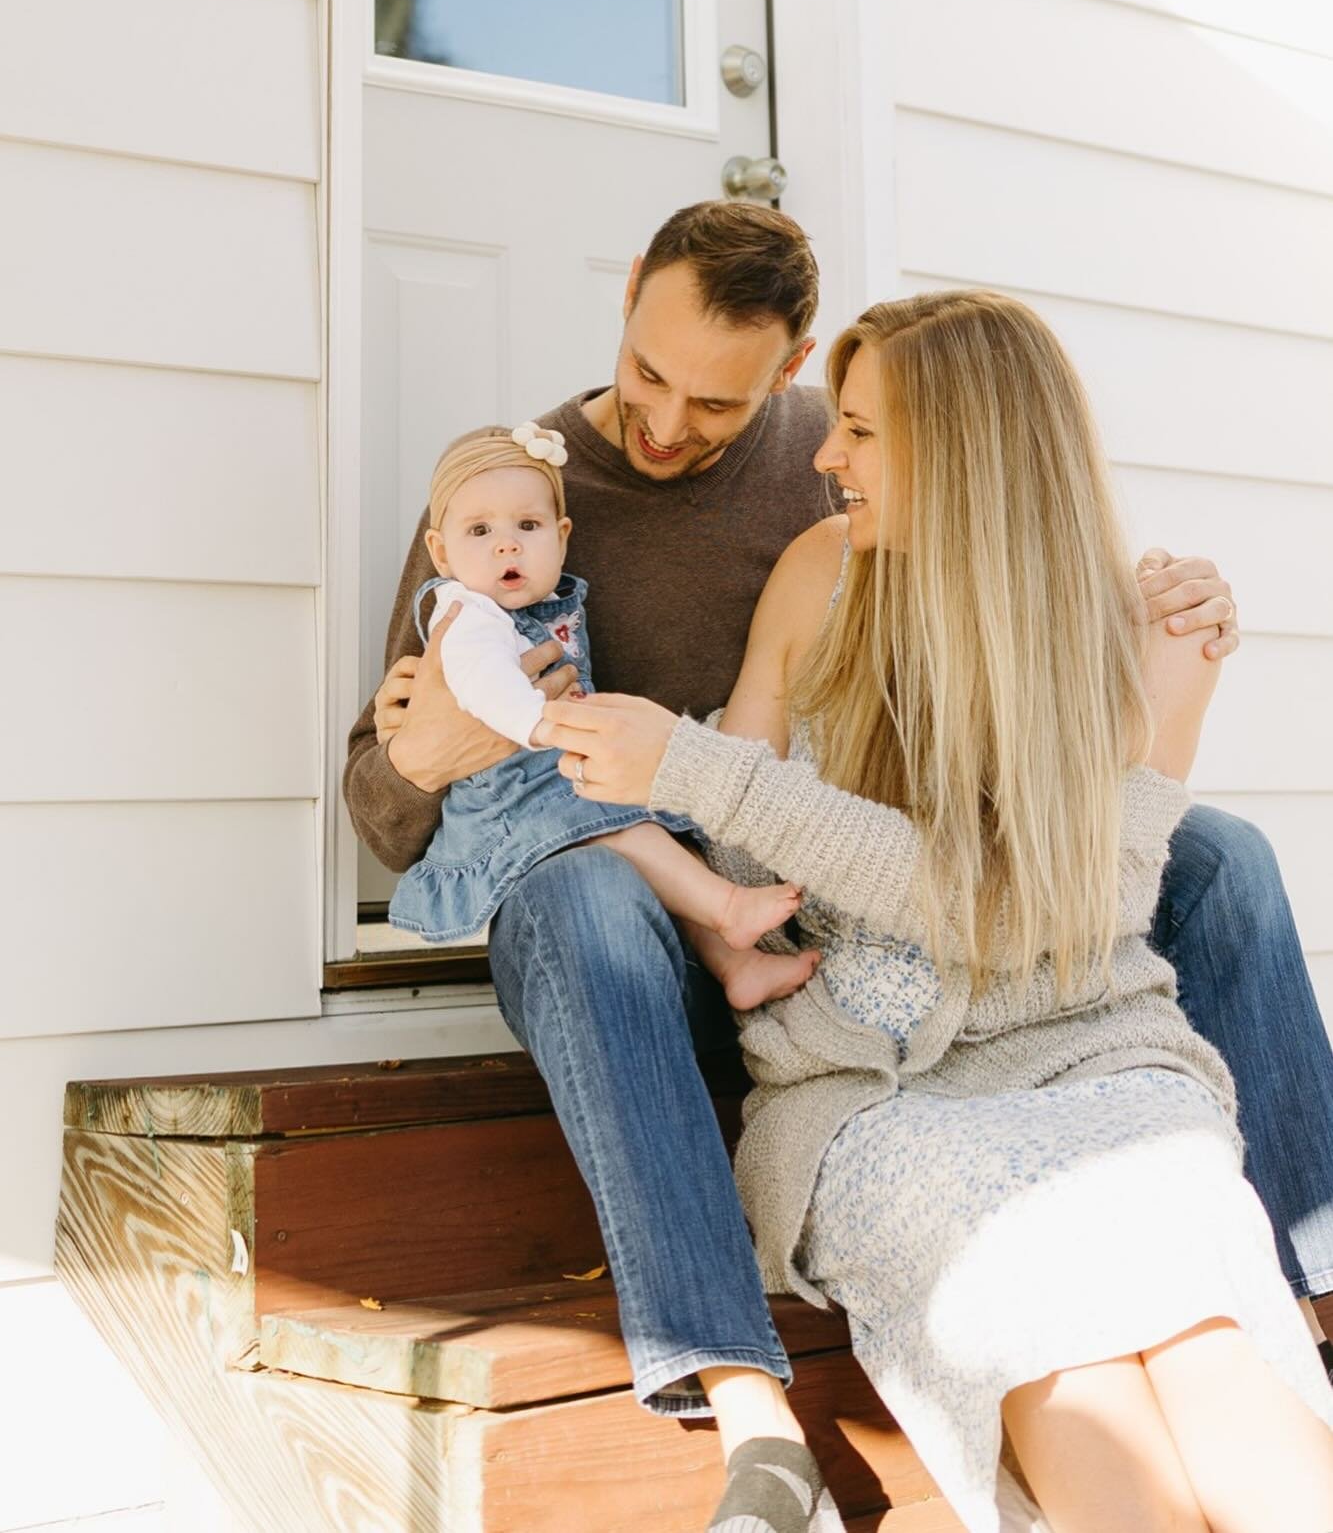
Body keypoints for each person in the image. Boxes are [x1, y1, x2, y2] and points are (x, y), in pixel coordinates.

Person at [345, 202, 1333, 1529]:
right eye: (646, 374)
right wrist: (445, 748)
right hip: (701, 906)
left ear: (795, 368)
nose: (661, 421)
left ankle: (1308, 1270)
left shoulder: (837, 461)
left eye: (714, 401)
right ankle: (741, 1400)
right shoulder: (517, 487)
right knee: (581, 897)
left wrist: (1163, 669)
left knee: (1220, 855)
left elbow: (1064, 867)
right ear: (627, 294)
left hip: (933, 917)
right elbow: (381, 798)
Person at [385, 419, 819, 1009]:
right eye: (480, 530)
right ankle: (728, 910)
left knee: (658, 850)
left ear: (562, 536)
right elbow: (482, 683)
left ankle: (736, 964)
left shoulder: (546, 599)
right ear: (441, 551)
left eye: (528, 526)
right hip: (511, 798)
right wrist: (538, 723)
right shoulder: (467, 614)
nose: (506, 545)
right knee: (631, 832)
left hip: (556, 770)